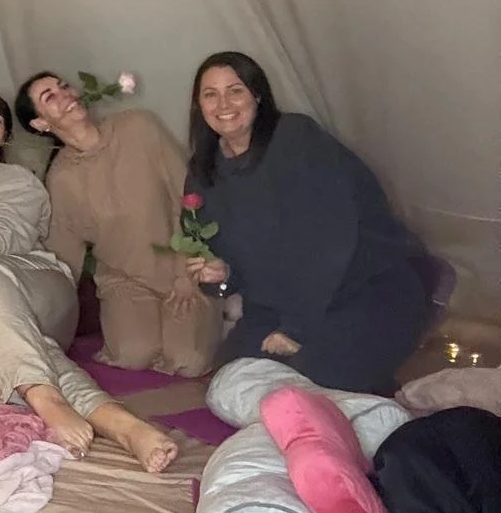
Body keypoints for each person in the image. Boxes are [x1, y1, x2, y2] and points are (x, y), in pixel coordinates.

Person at [0, 89, 179, 472]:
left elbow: (6, 231)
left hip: (33, 289)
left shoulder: (14, 179)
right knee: (13, 344)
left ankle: (43, 398)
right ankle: (120, 423)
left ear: (4, 137)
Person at [182, 52, 429, 395]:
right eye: (210, 94)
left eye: (235, 90)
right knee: (231, 384)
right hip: (276, 306)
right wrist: (220, 276)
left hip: (362, 289)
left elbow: (328, 241)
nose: (223, 103)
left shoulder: (295, 138)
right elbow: (215, 258)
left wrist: (297, 328)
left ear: (257, 95)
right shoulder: (203, 170)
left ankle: (378, 407)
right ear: (199, 105)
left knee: (315, 380)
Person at [15, 72, 219, 376]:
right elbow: (63, 258)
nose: (65, 94)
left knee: (187, 362)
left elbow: (190, 196)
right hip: (125, 282)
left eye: (64, 86)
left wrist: (187, 272)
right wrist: (37, 320)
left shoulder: (139, 126)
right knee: (132, 355)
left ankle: (216, 315)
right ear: (41, 123)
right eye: (50, 97)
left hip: (184, 269)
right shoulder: (60, 179)